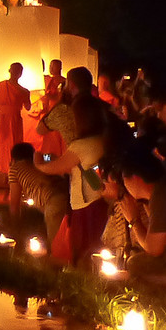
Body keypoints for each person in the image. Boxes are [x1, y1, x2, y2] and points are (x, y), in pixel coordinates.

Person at [35, 95, 107, 263]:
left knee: (83, 251)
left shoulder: (81, 145)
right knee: (95, 249)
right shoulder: (101, 139)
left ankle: (80, 282)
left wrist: (38, 164)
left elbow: (59, 167)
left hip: (86, 203)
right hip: (100, 200)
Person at [7, 142, 69, 247]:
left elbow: (14, 203)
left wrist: (14, 227)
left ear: (13, 158)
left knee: (57, 247)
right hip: (70, 198)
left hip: (54, 201)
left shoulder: (15, 169)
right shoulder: (42, 164)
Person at [0, 62, 31, 173]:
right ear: (10, 71)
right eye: (13, 70)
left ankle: (13, 171)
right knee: (2, 145)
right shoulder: (0, 86)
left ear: (20, 74)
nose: (15, 73)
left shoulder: (24, 91)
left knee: (14, 144)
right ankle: (4, 170)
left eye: (17, 71)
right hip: (1, 119)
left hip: (14, 120)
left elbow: (28, 107)